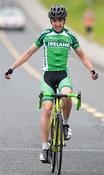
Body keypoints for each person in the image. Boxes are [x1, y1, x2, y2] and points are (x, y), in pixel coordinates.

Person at [5, 5, 98, 163]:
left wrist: (92, 70)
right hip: (48, 76)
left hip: (63, 75)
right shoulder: (45, 35)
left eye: (60, 20)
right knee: (47, 108)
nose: (57, 23)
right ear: (50, 21)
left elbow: (82, 56)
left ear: (64, 20)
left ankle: (65, 125)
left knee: (67, 95)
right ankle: (44, 148)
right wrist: (12, 68)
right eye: (54, 20)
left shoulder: (70, 36)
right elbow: (28, 52)